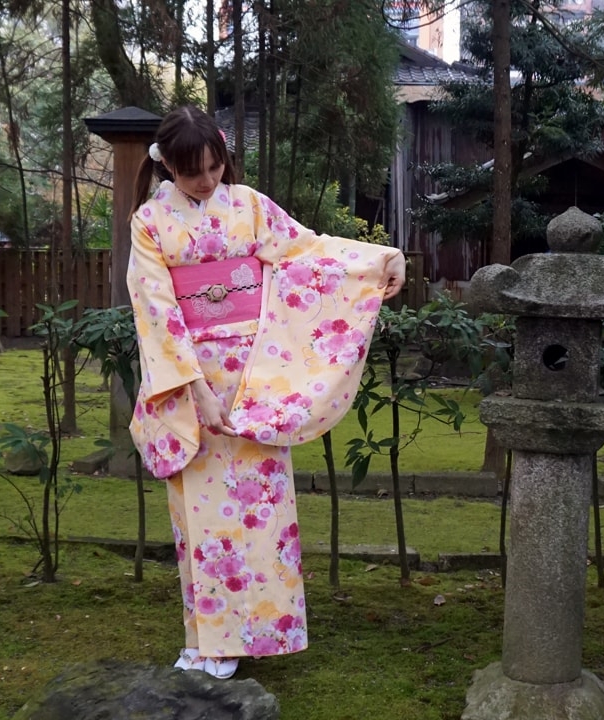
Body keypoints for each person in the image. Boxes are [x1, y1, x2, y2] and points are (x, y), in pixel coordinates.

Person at [127, 105, 405, 679]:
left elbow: (306, 250)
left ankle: (257, 634)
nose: (206, 181)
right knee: (198, 518)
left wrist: (382, 259)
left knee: (261, 510)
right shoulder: (150, 223)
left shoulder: (249, 205)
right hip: (192, 380)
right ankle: (206, 637)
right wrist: (197, 392)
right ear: (167, 169)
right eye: (192, 172)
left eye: (213, 167)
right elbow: (155, 309)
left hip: (258, 378)